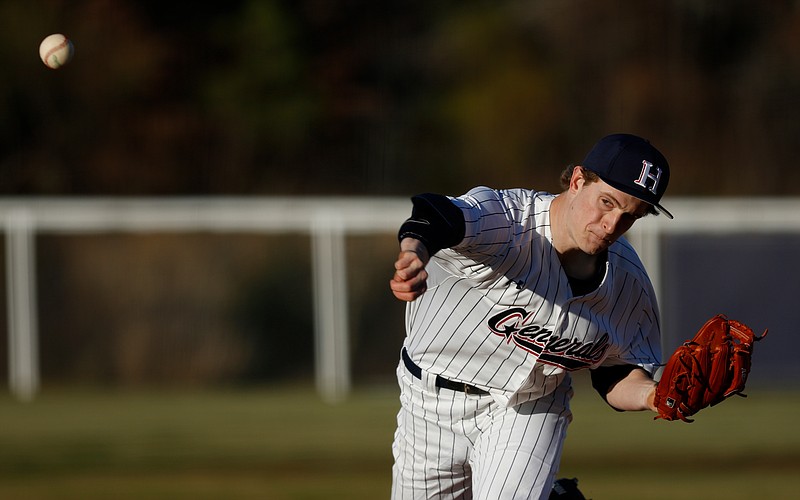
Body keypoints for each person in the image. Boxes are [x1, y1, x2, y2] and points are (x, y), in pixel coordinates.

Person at [388, 133, 673, 499]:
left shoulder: (627, 283)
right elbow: (436, 214)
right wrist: (414, 253)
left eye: (630, 216)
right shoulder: (509, 222)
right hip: (427, 403)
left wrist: (654, 395)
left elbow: (614, 372)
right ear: (577, 181)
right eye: (606, 202)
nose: (611, 225)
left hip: (528, 408)